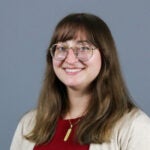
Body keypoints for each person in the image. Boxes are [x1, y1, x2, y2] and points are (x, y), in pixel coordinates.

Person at [10, 13, 150, 150]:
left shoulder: (135, 126)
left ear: (105, 56)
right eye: (62, 48)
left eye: (83, 48)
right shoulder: (29, 124)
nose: (70, 59)